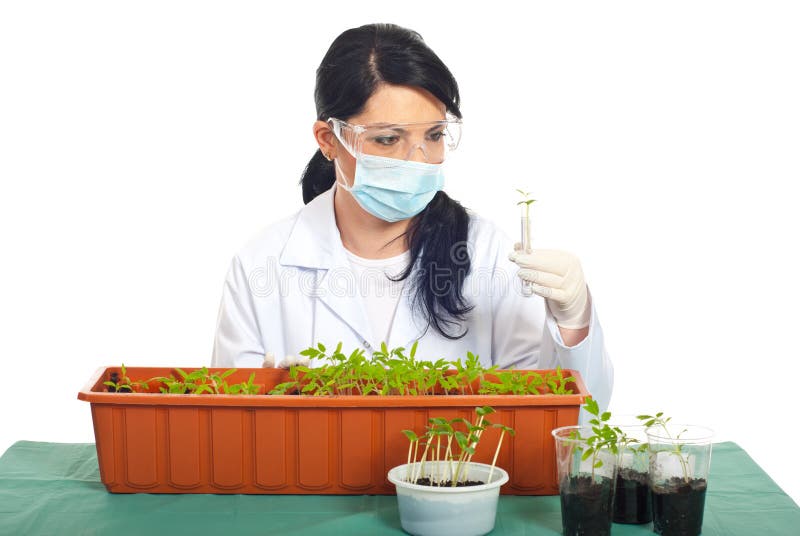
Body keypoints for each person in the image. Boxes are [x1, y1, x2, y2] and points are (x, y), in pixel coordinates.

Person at [211, 23, 613, 410]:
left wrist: (573, 325)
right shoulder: (261, 264)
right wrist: (267, 403)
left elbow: (567, 423)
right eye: (388, 139)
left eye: (434, 135)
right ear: (329, 140)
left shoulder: (486, 254)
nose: (418, 159)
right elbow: (229, 433)